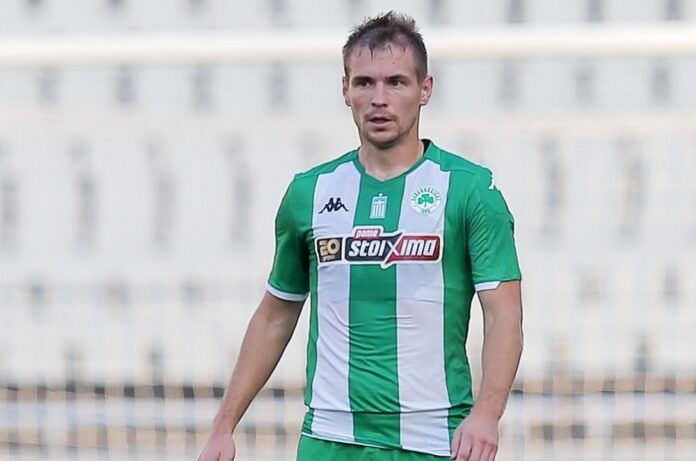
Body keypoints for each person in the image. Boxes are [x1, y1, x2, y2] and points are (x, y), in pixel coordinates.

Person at [198, 11, 523, 461]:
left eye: (396, 82)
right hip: (329, 438)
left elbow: (504, 313)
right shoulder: (309, 193)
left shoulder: (469, 190)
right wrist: (224, 426)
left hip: (433, 439)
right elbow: (276, 314)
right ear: (345, 90)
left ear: (425, 89)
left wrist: (487, 413)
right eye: (365, 83)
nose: (379, 99)